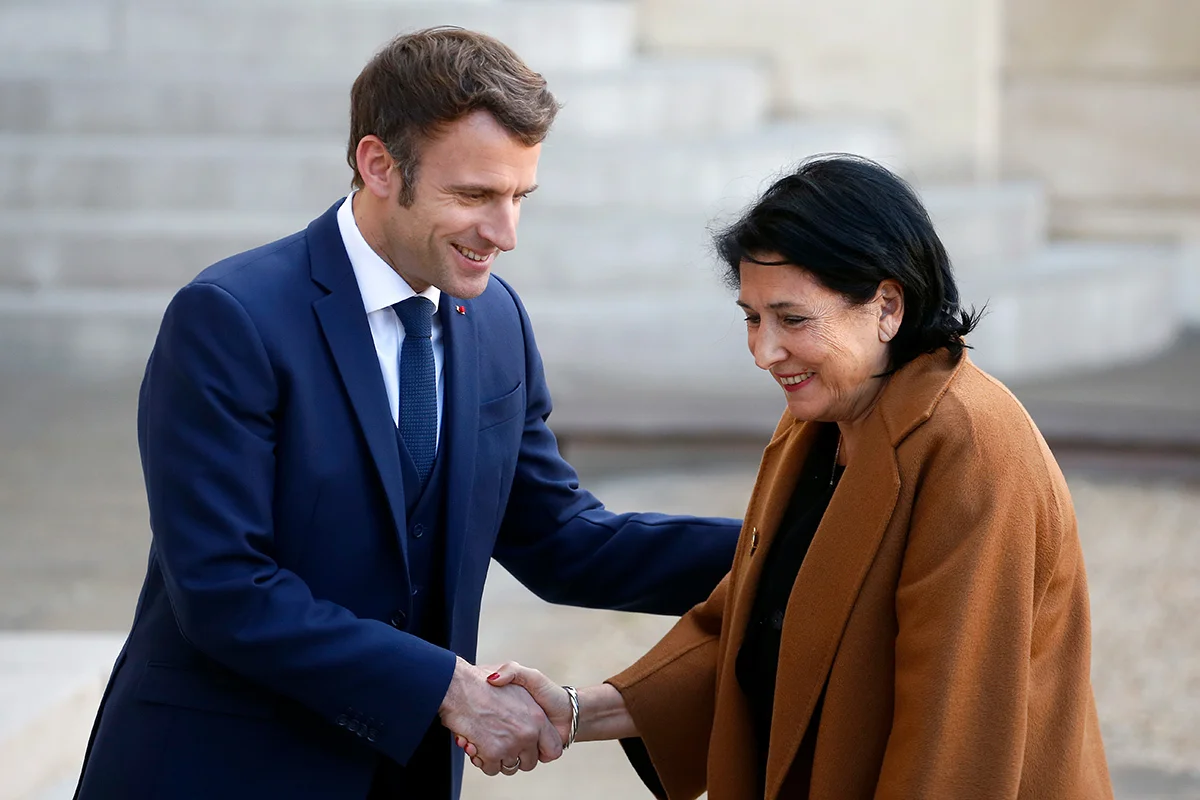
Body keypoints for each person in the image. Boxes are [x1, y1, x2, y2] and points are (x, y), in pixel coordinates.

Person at [73, 27, 740, 800]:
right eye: (475, 196)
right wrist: (446, 688)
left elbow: (563, 539)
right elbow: (224, 588)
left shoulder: (496, 321)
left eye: (519, 197)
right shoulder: (230, 318)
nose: (505, 233)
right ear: (379, 165)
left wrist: (789, 544)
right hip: (217, 771)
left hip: (406, 779)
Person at [468, 155, 1114, 799]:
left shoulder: (972, 448)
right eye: (752, 317)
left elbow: (950, 742)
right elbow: (752, 631)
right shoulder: (822, 420)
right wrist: (575, 712)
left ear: (888, 307)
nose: (764, 351)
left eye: (793, 319)